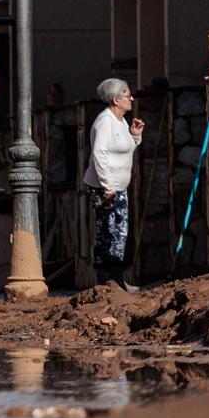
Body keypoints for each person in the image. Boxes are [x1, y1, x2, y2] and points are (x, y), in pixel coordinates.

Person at [82, 77, 144, 290]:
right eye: (128, 96)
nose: (132, 99)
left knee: (119, 230)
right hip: (105, 187)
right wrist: (108, 186)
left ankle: (115, 279)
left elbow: (123, 149)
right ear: (117, 100)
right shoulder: (105, 122)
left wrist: (135, 137)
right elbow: (99, 154)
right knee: (110, 231)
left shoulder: (120, 121)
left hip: (118, 187)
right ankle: (109, 280)